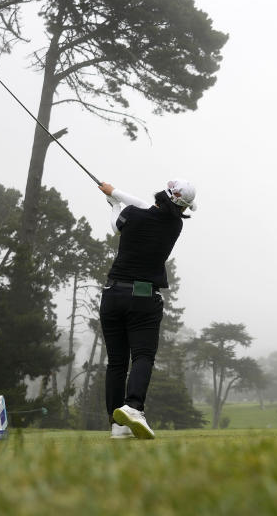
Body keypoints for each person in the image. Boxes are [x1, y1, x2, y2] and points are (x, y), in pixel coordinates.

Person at [97, 179, 196, 440]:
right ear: (182, 207)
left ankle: (117, 425)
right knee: (142, 356)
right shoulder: (176, 225)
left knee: (116, 362)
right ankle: (133, 407)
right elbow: (145, 207)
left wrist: (113, 202)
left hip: (113, 293)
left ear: (161, 194)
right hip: (143, 297)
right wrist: (115, 193)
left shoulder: (130, 215)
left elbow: (117, 224)